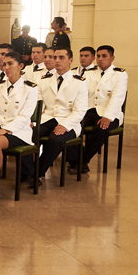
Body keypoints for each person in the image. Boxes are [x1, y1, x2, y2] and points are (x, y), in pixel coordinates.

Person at [0, 51, 38, 205]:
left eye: (10, 63)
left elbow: (25, 116)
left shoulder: (30, 88)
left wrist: (6, 129)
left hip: (19, 131)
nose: (6, 67)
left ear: (21, 66)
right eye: (4, 64)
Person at [32, 47, 87, 187]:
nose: (56, 61)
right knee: (28, 134)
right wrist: (33, 120)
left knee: (56, 139)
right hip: (47, 118)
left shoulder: (79, 82)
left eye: (61, 57)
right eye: (54, 57)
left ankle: (36, 173)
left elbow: (80, 111)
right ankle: (27, 170)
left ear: (70, 60)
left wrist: (65, 125)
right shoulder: (44, 80)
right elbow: (37, 103)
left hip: (68, 121)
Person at [68, 45, 127, 174]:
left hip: (110, 113)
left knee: (101, 130)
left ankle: (83, 161)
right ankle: (76, 159)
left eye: (104, 56)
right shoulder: (90, 73)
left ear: (112, 58)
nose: (100, 59)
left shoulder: (120, 74)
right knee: (70, 126)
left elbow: (117, 98)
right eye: (98, 56)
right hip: (89, 110)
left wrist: (108, 117)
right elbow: (80, 93)